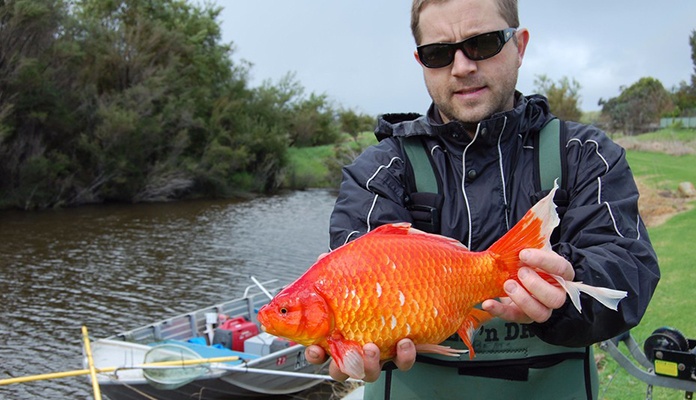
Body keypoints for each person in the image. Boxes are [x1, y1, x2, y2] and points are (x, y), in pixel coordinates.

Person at [306, 0, 660, 398]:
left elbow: (629, 271)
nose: (461, 67)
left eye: (483, 43)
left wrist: (567, 288)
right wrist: (354, 342)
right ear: (421, 62)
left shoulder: (584, 153)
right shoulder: (378, 171)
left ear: (520, 46)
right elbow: (355, 274)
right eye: (438, 53)